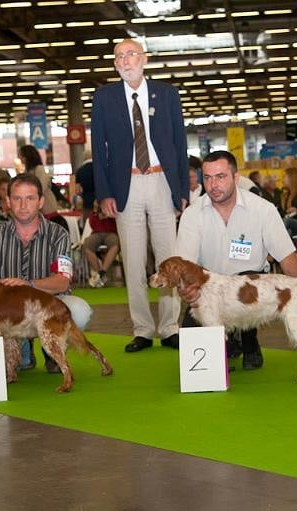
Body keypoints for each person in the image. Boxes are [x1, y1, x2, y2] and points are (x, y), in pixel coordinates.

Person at [91, 38, 188, 353]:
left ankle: (170, 327)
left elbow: (180, 144)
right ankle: (143, 330)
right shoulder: (104, 98)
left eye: (131, 54)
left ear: (144, 59)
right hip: (126, 186)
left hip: (162, 181)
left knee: (169, 258)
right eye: (119, 56)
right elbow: (98, 149)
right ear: (115, 64)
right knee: (132, 261)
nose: (125, 60)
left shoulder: (167, 94)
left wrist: (181, 190)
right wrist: (105, 193)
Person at [176, 151, 297, 370]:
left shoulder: (263, 209)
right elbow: (183, 264)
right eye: (207, 178)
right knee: (189, 341)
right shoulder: (192, 214)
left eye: (220, 177)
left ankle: (248, 339)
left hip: (249, 291)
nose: (213, 185)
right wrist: (186, 290)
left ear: (236, 178)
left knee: (245, 282)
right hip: (209, 290)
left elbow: (286, 255)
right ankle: (231, 339)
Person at [0, 173, 93, 372]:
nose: (23, 205)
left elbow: (63, 282)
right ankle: (21, 349)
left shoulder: (59, 234)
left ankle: (52, 348)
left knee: (80, 311)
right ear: (8, 202)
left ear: (40, 202)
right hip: (12, 313)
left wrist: (29, 284)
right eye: (17, 198)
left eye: (30, 198)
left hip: (50, 306)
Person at [82, 202, 120, 288]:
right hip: (96, 233)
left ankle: (103, 271)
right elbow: (92, 224)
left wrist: (108, 215)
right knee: (87, 244)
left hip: (111, 233)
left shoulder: (112, 212)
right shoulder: (94, 215)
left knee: (115, 244)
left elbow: (116, 222)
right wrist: (98, 215)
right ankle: (98, 273)